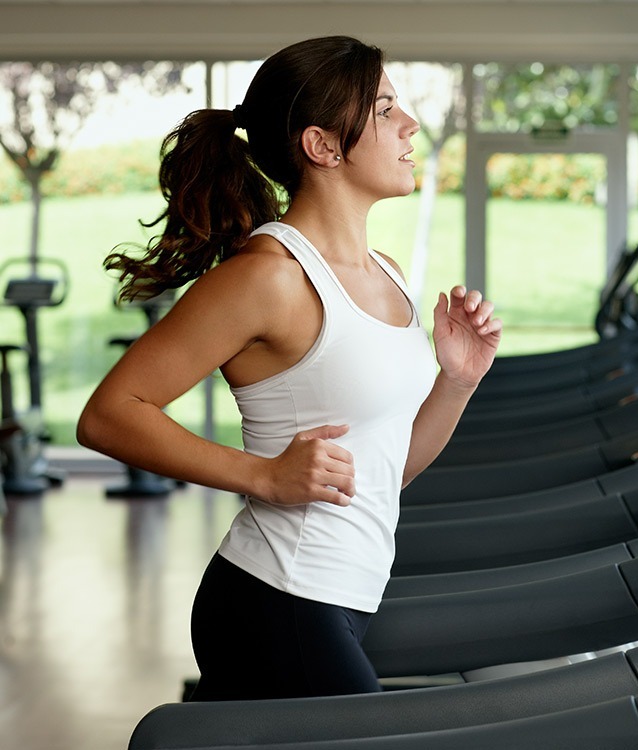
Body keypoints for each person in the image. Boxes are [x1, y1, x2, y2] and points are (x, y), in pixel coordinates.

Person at [77, 35, 501, 701]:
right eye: (386, 109)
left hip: (346, 597)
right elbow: (108, 415)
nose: (411, 125)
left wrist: (458, 380)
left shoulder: (386, 274)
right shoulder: (268, 277)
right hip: (277, 597)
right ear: (322, 145)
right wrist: (263, 477)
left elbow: (389, 471)